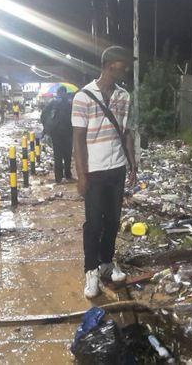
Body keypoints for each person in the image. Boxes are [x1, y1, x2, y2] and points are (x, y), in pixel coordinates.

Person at [72, 46, 137, 299]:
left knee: (112, 220)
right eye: (124, 65)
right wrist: (81, 175)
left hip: (116, 168)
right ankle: (91, 270)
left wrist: (132, 163)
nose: (127, 70)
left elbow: (126, 132)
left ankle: (107, 263)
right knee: (94, 223)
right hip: (95, 171)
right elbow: (78, 139)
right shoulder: (83, 97)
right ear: (110, 65)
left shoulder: (124, 96)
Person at [41, 86, 73, 183]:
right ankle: (67, 174)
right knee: (67, 154)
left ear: (58, 93)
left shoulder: (53, 103)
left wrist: (47, 128)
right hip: (68, 133)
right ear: (65, 92)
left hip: (56, 133)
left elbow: (43, 115)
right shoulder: (70, 104)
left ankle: (58, 177)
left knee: (58, 155)